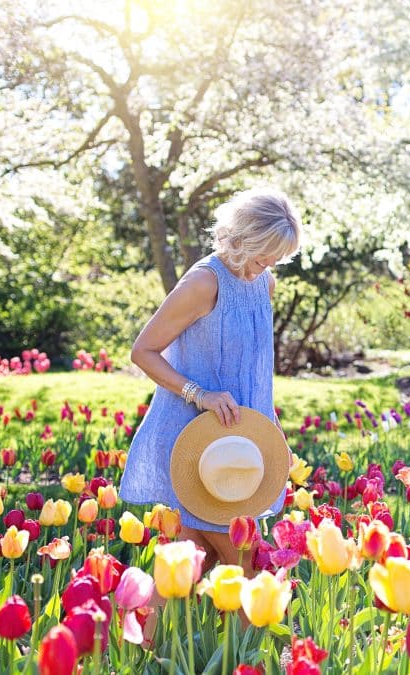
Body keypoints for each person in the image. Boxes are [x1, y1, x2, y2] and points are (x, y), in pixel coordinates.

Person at [120, 187, 302, 570]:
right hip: (202, 443)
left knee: (189, 568)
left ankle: (132, 630)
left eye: (276, 258)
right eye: (263, 254)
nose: (268, 265)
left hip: (240, 442)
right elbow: (143, 352)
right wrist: (199, 394)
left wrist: (273, 433)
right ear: (241, 238)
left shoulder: (263, 284)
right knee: (249, 567)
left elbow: (255, 374)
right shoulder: (205, 283)